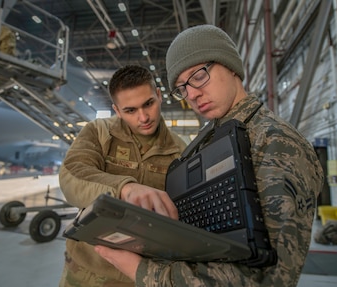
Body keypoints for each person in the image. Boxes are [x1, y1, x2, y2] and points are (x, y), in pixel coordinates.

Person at [94, 24, 324, 287]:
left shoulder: (275, 143)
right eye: (181, 87)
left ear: (231, 66)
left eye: (199, 76)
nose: (191, 93)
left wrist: (143, 271)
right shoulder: (207, 141)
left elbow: (266, 279)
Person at [58, 65, 187, 286]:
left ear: (158, 96)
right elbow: (72, 174)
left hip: (142, 277)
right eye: (130, 110)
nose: (144, 117)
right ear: (117, 110)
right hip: (86, 272)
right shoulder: (98, 132)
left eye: (148, 104)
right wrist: (124, 188)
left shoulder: (180, 150)